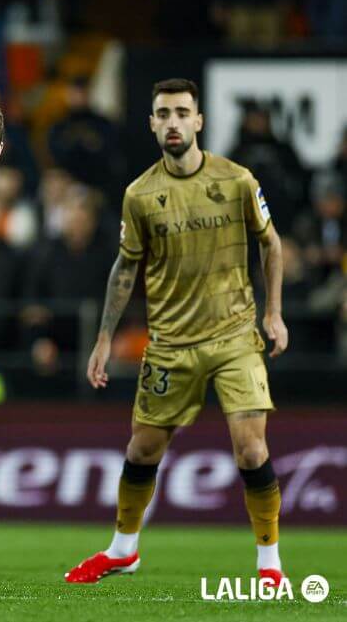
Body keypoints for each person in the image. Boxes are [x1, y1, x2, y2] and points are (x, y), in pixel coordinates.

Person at [65, 79, 288, 587]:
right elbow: (125, 269)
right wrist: (104, 338)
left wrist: (273, 314)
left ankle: (269, 563)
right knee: (142, 450)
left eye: (181, 113)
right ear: (151, 123)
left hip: (235, 337)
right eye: (162, 113)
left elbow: (270, 245)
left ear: (198, 121)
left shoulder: (236, 180)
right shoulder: (140, 195)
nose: (172, 122)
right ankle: (123, 550)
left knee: (251, 450)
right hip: (170, 343)